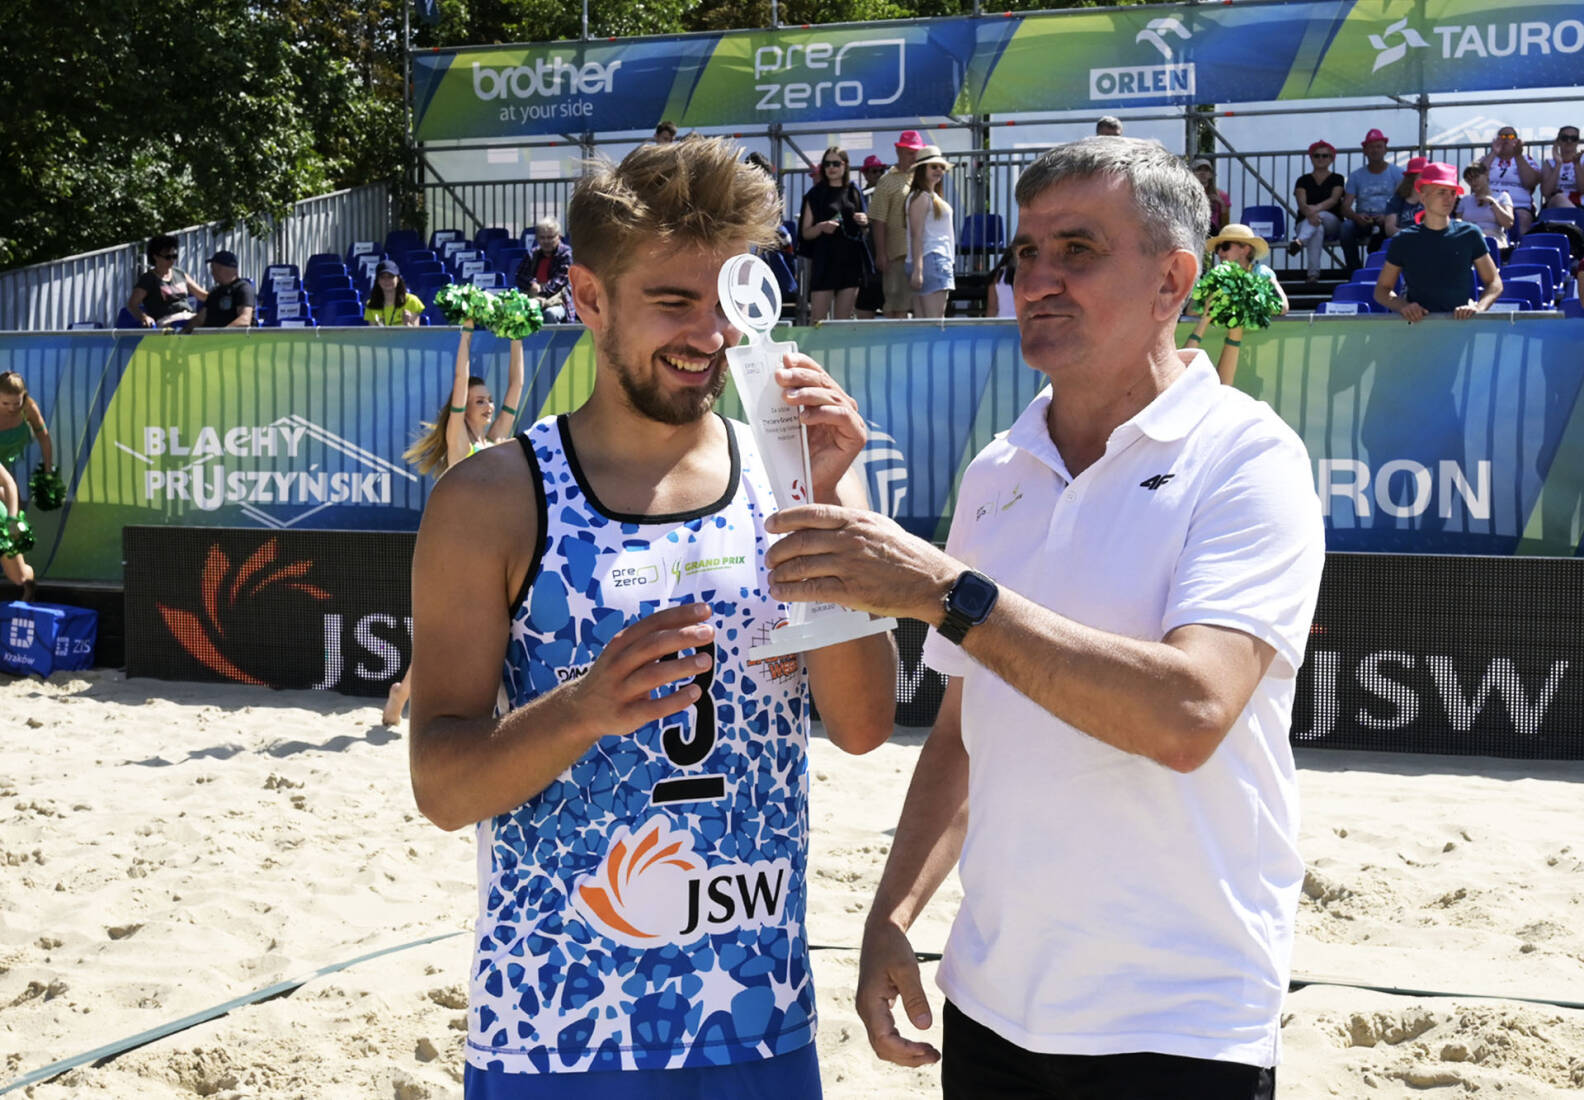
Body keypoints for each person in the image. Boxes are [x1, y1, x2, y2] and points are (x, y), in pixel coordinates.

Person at [763, 136, 1325, 1099]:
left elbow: (1189, 715)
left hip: (1182, 1022)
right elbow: (963, 734)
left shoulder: (1248, 458)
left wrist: (945, 593)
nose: (1038, 279)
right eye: (1026, 252)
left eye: (1078, 250)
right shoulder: (1000, 470)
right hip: (990, 1005)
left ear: (1172, 280)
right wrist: (894, 913)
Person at [406, 136, 897, 1097]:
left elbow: (864, 724)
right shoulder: (493, 498)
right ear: (590, 298)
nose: (709, 334)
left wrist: (825, 507)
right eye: (674, 301)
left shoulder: (793, 477)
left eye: (727, 301)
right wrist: (582, 708)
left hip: (754, 1015)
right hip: (555, 1022)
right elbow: (443, 787)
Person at [383, 322, 526, 725]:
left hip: (492, 549)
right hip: (457, 549)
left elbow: (516, 387)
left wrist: (517, 336)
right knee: (444, 634)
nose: (488, 405)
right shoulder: (459, 441)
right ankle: (403, 694)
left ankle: (409, 695)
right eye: (480, 400)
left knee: (489, 630)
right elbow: (460, 383)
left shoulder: (496, 440)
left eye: (489, 400)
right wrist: (465, 336)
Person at [1375, 161, 1502, 322]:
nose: (1449, 199)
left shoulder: (1470, 234)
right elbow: (1382, 290)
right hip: (1417, 329)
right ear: (1423, 196)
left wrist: (1478, 308)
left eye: (1453, 193)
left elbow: (1494, 282)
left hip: (1460, 328)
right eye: (1442, 192)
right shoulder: (1403, 240)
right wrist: (1403, 306)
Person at [1187, 223, 1289, 386]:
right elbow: (1191, 310)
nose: (1220, 253)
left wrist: (1241, 305)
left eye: (1225, 246)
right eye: (1218, 248)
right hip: (1215, 357)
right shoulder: (1215, 275)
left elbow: (1283, 307)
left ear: (1245, 249)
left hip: (1256, 361)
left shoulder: (1262, 273)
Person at [800, 146, 872, 321]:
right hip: (824, 260)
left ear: (845, 165)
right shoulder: (815, 194)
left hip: (850, 260)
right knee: (817, 321)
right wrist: (821, 227)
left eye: (836, 163)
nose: (831, 168)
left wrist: (864, 220)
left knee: (843, 321)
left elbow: (865, 228)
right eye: (827, 164)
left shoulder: (853, 190)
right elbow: (805, 233)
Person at [870, 130, 927, 318]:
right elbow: (878, 219)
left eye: (917, 153)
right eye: (910, 152)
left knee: (919, 305)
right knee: (896, 305)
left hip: (921, 252)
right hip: (897, 252)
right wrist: (881, 253)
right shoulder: (886, 181)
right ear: (899, 152)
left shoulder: (922, 178)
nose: (914, 157)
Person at [1340, 129, 1404, 272]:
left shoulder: (1398, 173)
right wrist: (1357, 217)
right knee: (1345, 228)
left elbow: (1403, 202)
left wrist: (1388, 217)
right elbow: (1345, 207)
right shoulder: (1355, 176)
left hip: (1389, 219)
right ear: (1365, 151)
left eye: (1379, 146)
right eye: (1371, 147)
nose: (1375, 150)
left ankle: (1392, 271)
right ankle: (1354, 271)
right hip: (1363, 221)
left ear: (1385, 150)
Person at [906, 145, 956, 319]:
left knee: (924, 323)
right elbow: (916, 235)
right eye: (933, 166)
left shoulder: (924, 196)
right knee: (935, 322)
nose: (939, 170)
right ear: (922, 169)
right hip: (932, 258)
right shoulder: (922, 197)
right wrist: (918, 270)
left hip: (929, 260)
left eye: (942, 167)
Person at [1286, 141, 1344, 284]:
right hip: (1306, 222)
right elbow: (1301, 204)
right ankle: (1312, 275)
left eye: (1325, 156)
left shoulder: (1337, 178)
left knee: (1321, 216)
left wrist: (1313, 211)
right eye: (1317, 155)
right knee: (1317, 229)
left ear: (1331, 159)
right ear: (1311, 158)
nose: (1320, 158)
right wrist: (1310, 214)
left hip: (1332, 221)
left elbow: (1334, 200)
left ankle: (1299, 241)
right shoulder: (1303, 180)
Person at [126, 235, 207, 329]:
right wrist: (143, 317)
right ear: (155, 256)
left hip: (189, 317)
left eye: (174, 256)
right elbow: (132, 304)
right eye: (168, 257)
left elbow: (203, 296)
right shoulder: (148, 279)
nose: (172, 260)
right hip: (167, 322)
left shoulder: (180, 274)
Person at [1479, 125, 1541, 236]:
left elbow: (1530, 182)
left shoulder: (1527, 159)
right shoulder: (1486, 159)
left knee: (1523, 218)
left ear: (1516, 140)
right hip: (1489, 204)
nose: (1506, 139)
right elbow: (1477, 178)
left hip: (1519, 206)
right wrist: (1493, 153)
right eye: (1502, 136)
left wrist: (1518, 156)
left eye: (1510, 136)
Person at [514, 217, 574, 323]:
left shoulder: (566, 255)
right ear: (537, 238)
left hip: (559, 302)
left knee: (550, 314)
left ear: (559, 237)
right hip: (534, 299)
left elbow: (557, 284)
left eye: (550, 237)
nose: (546, 241)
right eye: (542, 237)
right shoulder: (532, 254)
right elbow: (519, 276)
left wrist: (539, 291)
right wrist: (531, 284)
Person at [184, 251, 255, 330]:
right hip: (210, 335)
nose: (212, 272)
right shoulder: (215, 292)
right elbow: (200, 319)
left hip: (232, 336)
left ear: (224, 269)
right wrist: (183, 333)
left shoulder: (243, 288)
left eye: (214, 268)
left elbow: (244, 320)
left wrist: (221, 334)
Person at [855, 156, 890, 318]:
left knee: (893, 310)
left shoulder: (890, 195)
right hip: (866, 263)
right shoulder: (859, 197)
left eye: (882, 171)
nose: (878, 175)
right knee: (864, 309)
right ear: (865, 174)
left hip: (888, 261)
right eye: (874, 171)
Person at [1459, 163, 1515, 253]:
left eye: (1476, 177)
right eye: (1469, 180)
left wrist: (1493, 203)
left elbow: (1508, 223)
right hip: (1469, 239)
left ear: (1486, 174)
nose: (1473, 182)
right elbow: (1458, 225)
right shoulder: (1465, 200)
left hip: (1494, 240)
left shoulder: (1502, 196)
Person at [365, 260, 424, 326]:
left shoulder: (412, 301)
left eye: (390, 276)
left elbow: (416, 332)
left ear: (398, 279)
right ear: (378, 281)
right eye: (382, 277)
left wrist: (407, 324)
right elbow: (373, 331)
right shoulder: (371, 304)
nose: (387, 280)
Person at [1383, 157, 1428, 238]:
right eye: (1423, 176)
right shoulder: (1396, 200)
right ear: (1412, 178)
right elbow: (1389, 229)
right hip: (1402, 241)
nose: (1428, 180)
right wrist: (1412, 236)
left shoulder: (1432, 199)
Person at [1540, 125, 1581, 209]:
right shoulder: (1549, 163)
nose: (1569, 141)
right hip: (1555, 207)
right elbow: (1546, 192)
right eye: (1565, 138)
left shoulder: (1582, 162)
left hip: (1579, 206)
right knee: (1559, 197)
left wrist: (1577, 165)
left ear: (1577, 142)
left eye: (1573, 138)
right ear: (1558, 141)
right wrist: (1558, 164)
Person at [1190, 158, 1229, 233]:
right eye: (1199, 170)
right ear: (1192, 174)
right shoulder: (1186, 194)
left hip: (1214, 232)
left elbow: (1225, 225)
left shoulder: (1221, 195)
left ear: (1211, 175)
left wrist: (1222, 204)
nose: (1203, 173)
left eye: (1207, 170)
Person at [984, 246, 1017, 319]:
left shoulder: (996, 276)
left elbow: (992, 307)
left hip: (1002, 320)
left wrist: (988, 325)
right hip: (1021, 321)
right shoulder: (1027, 275)